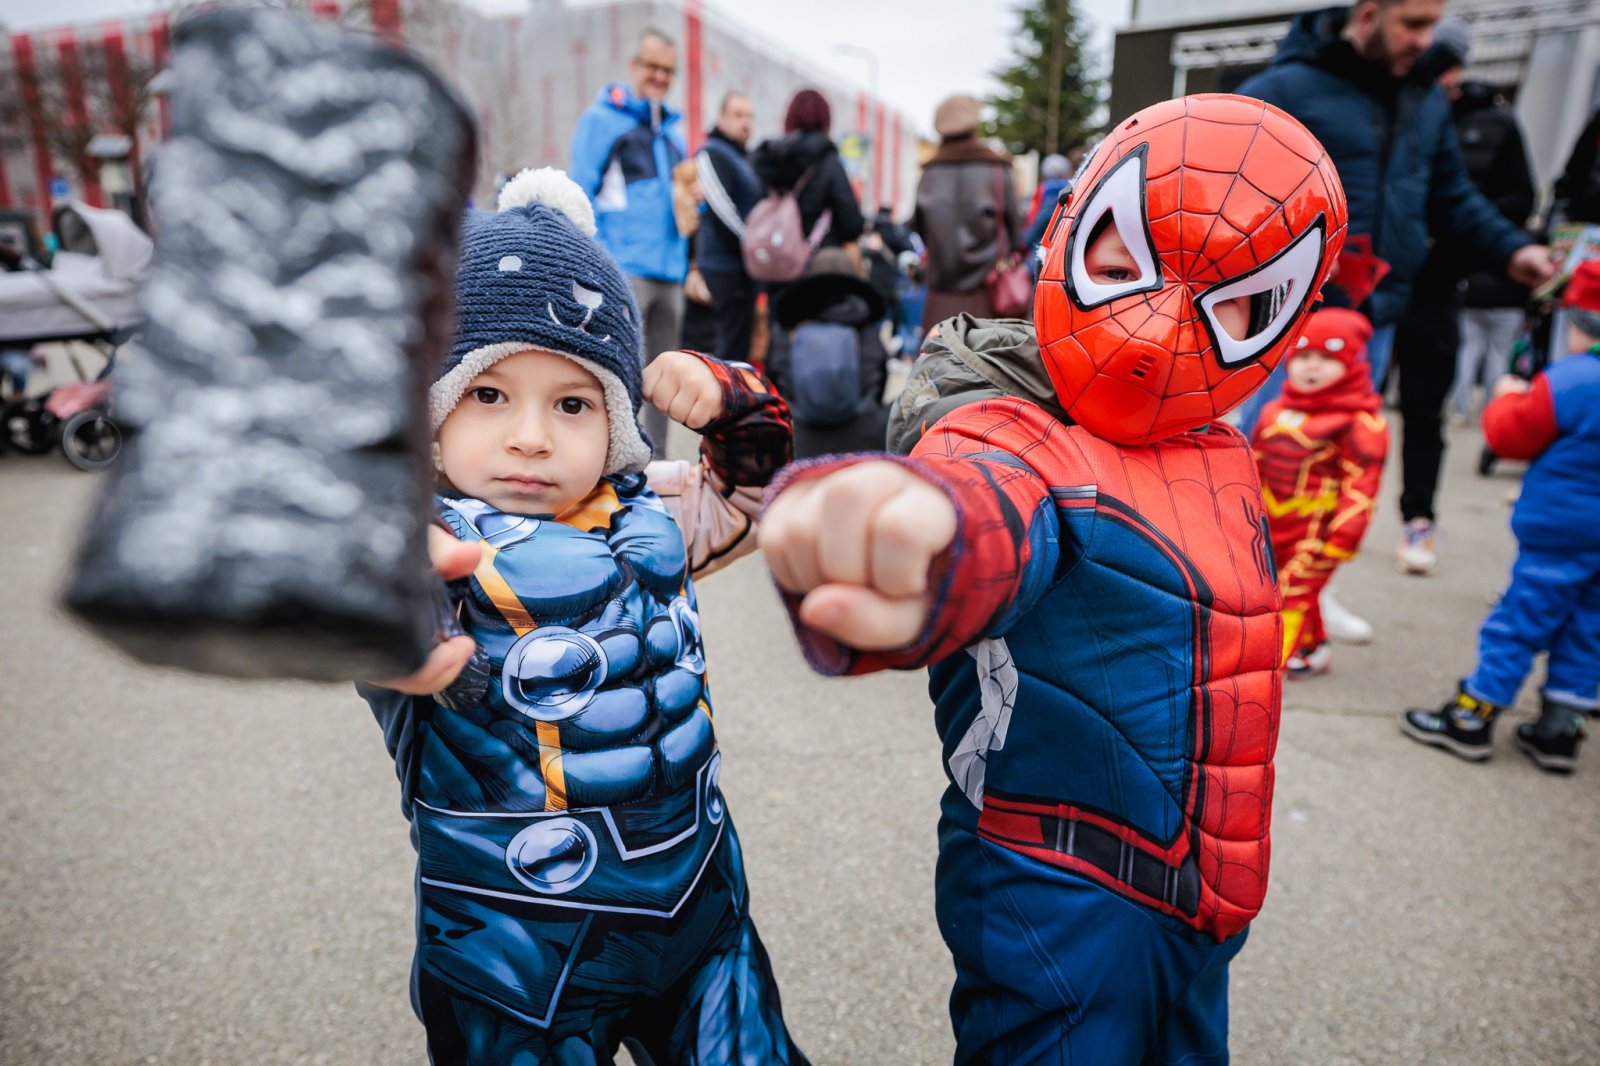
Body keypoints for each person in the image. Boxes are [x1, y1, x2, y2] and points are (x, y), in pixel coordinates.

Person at [759, 95, 1346, 1064]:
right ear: (1062, 234)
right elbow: (983, 510)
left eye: (1234, 301)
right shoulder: (1010, 433)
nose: (1157, 331)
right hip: (1058, 880)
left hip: (1206, 895)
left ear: (1283, 322)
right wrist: (912, 544)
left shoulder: (1217, 448)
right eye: (1121, 267)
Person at [358, 168, 808, 1064]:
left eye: (573, 403)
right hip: (516, 942)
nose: (532, 435)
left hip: (700, 909)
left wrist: (734, 397)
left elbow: (759, 493)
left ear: (615, 423)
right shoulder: (419, 540)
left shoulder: (652, 509)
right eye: (488, 395)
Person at [1233, 0, 1553, 586]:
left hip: (1374, 317)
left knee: (1338, 467)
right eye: (1412, 24)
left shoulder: (1425, 96)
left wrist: (1513, 249)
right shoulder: (1286, 87)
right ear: (1368, 14)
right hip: (1293, 316)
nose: (1425, 40)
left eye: (1432, 24)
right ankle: (1226, 591)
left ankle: (1306, 598)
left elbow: (1451, 195)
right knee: (1266, 455)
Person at [1400, 260, 1600, 774]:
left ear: (1581, 323)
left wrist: (1508, 397)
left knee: (1520, 621)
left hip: (1562, 530)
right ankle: (1560, 730)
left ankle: (1474, 715)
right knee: (1588, 628)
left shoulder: (1573, 380)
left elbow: (1510, 437)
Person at [570, 27, 690, 457]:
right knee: (616, 372)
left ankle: (656, 465)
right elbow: (580, 192)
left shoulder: (675, 134)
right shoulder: (603, 121)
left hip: (671, 272)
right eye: (654, 67)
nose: (660, 77)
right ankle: (609, 460)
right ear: (634, 67)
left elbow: (687, 206)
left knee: (665, 380)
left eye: (669, 71)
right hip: (624, 269)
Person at [1252, 309, 1389, 679]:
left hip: (1316, 531)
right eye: (1305, 356)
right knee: (1278, 589)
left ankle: (1267, 670)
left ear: (1353, 363)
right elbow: (1252, 467)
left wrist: (1346, 534)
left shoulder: (1361, 422)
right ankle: (1313, 646)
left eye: (1327, 358)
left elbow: (1361, 483)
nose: (1313, 367)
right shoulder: (1274, 412)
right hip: (1268, 527)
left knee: (1293, 594)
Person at [766, 246, 889, 457]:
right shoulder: (864, 321)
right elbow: (877, 376)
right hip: (863, 438)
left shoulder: (792, 321)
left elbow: (774, 373)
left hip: (799, 436)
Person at [911, 93, 1020, 330]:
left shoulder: (929, 173)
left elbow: (919, 228)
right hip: (989, 297)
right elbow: (1015, 229)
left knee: (937, 362)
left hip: (939, 297)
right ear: (974, 125)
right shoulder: (997, 170)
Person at [750, 88, 864, 267]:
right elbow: (852, 225)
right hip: (816, 267)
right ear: (825, 119)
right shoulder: (829, 162)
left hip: (774, 262)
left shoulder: (767, 156)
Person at [694, 90, 764, 365]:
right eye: (737, 115)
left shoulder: (743, 157)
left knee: (738, 351)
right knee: (725, 351)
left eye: (749, 116)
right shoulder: (712, 152)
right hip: (723, 267)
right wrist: (754, 248)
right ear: (721, 118)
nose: (745, 123)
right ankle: (719, 407)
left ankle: (732, 406)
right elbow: (722, 210)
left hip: (742, 269)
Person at [1021, 152, 1073, 261]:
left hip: (1041, 249)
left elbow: (1038, 219)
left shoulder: (1044, 189)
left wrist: (1025, 243)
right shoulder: (1072, 187)